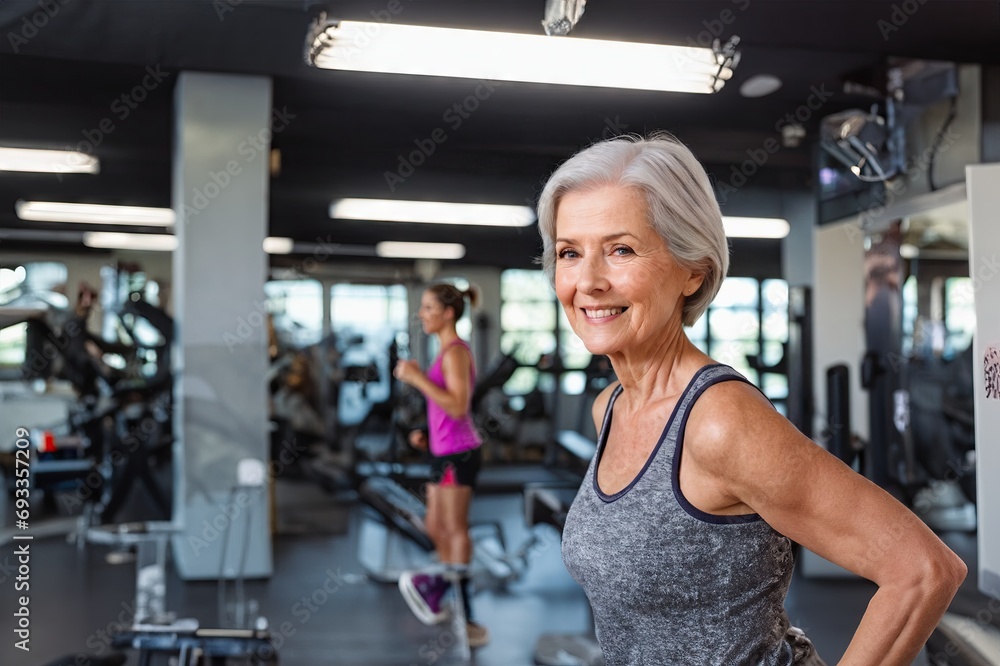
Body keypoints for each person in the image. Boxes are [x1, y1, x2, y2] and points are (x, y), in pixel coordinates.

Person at [537, 134, 967, 666]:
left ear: (692, 266)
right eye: (569, 253)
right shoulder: (611, 407)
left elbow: (923, 570)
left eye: (621, 249)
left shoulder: (720, 422)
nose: (589, 281)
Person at [393, 283, 489, 648]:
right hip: (442, 448)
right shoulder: (444, 351)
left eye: (429, 307)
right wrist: (426, 434)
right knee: (436, 525)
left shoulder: (456, 352)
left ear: (448, 313)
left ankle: (469, 618)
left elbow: (457, 407)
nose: (422, 314)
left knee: (454, 529)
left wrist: (417, 379)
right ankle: (445, 594)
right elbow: (442, 409)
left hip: (459, 452)